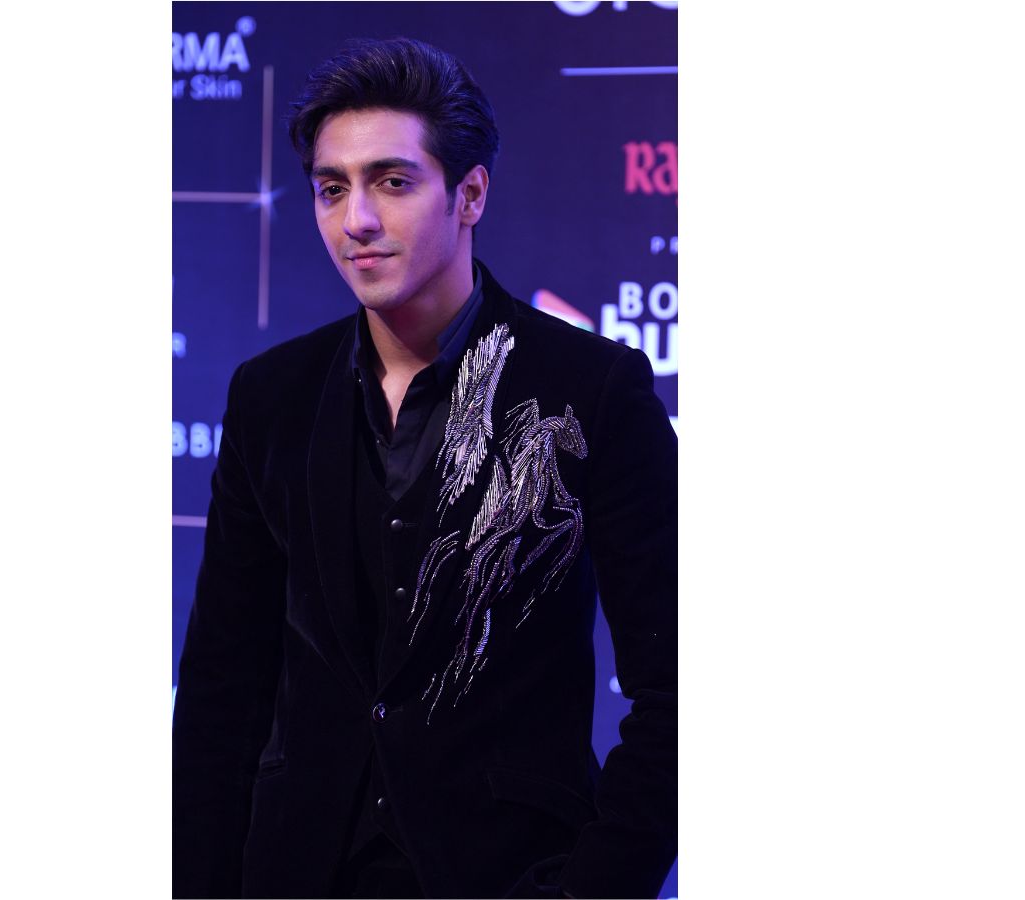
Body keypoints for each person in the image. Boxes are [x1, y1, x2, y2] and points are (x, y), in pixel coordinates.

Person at [173, 37, 676, 899]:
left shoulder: (591, 390)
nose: (356, 220)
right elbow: (223, 691)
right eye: (332, 189)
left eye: (393, 182)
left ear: (469, 193)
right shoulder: (272, 396)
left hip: (509, 875)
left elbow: (681, 694)